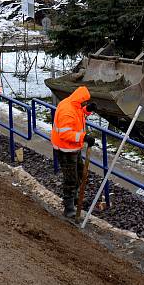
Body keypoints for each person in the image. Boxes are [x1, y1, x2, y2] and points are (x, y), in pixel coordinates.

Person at [51, 86, 96, 219]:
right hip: (65, 149)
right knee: (70, 179)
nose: (85, 104)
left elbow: (78, 115)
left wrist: (87, 111)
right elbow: (65, 134)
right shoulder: (67, 111)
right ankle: (69, 208)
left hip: (73, 148)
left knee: (80, 173)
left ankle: (75, 198)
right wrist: (84, 137)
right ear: (80, 100)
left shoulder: (72, 104)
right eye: (85, 103)